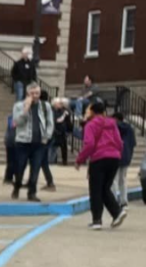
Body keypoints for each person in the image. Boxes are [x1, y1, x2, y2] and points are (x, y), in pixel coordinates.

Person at [75, 97, 127, 229]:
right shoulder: (112, 123)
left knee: (96, 190)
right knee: (105, 188)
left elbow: (89, 144)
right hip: (114, 158)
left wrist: (80, 160)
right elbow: (120, 142)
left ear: (92, 112)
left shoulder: (90, 125)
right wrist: (117, 154)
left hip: (99, 159)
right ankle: (117, 212)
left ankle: (97, 220)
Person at [10, 82, 54, 201]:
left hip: (39, 144)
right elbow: (17, 123)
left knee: (35, 169)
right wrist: (26, 109)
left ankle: (32, 193)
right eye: (32, 93)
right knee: (20, 168)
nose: (35, 96)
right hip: (23, 143)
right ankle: (17, 185)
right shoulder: (18, 106)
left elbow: (50, 123)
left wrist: (46, 137)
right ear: (27, 93)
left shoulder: (45, 106)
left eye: (37, 93)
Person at [113, 109, 137, 207]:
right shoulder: (130, 129)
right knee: (123, 179)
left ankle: (114, 200)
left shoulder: (114, 128)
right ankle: (124, 200)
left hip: (116, 156)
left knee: (113, 180)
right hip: (126, 157)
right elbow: (133, 143)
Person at [52, 98, 73, 166]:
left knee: (64, 147)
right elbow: (58, 120)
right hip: (55, 131)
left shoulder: (63, 110)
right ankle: (52, 160)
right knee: (52, 147)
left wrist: (69, 130)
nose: (61, 105)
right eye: (59, 103)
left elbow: (68, 121)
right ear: (55, 104)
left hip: (62, 132)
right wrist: (64, 115)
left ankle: (64, 161)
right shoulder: (52, 111)